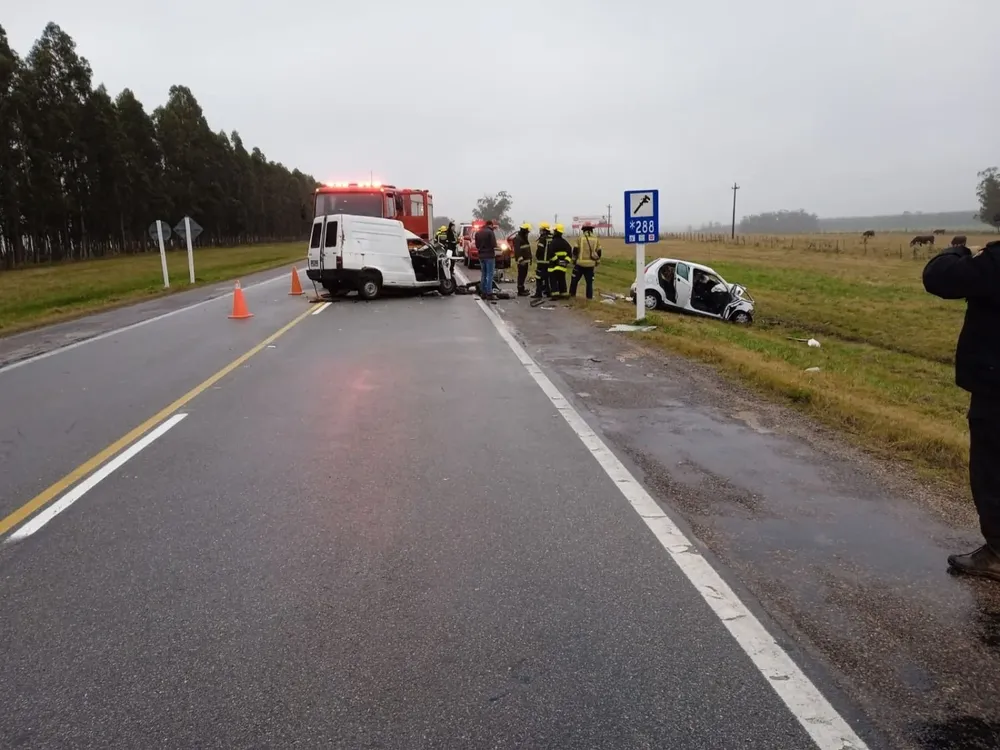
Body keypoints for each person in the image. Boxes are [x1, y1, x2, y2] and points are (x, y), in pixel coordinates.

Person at [923, 235, 1000, 580]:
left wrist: (960, 250)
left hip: (995, 387)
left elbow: (939, 277)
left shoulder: (995, 262)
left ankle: (998, 552)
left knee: (991, 470)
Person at [570, 223, 603, 299]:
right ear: (591, 229)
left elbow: (575, 250)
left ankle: (572, 296)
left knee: (574, 281)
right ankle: (589, 298)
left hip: (580, 264)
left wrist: (574, 260)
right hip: (590, 265)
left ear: (583, 229)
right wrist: (597, 261)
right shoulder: (596, 238)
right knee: (589, 283)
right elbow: (599, 252)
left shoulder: (580, 238)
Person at [546, 224, 572, 298]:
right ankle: (563, 293)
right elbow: (570, 253)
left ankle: (555, 294)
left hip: (553, 266)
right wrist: (566, 261)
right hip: (562, 266)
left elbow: (550, 253)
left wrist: (557, 260)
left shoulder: (553, 242)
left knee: (553, 280)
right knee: (562, 279)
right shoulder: (565, 242)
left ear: (556, 232)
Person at [474, 220, 498, 300]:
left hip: (481, 256)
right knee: (490, 274)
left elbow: (477, 245)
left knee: (483, 274)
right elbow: (494, 244)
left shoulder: (478, 232)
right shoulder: (490, 232)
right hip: (489, 256)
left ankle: (483, 292)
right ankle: (489, 293)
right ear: (491, 225)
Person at [532, 223, 552, 298]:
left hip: (541, 261)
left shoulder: (542, 238)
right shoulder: (552, 237)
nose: (540, 231)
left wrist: (537, 256)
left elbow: (540, 249)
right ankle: (548, 292)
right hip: (549, 261)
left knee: (538, 277)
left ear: (544, 230)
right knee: (547, 277)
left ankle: (538, 293)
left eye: (541, 230)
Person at [514, 223, 532, 296]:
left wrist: (530, 258)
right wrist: (520, 260)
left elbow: (527, 248)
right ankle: (520, 290)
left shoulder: (523, 237)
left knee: (524, 275)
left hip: (525, 260)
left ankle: (522, 288)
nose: (528, 233)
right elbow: (517, 250)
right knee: (521, 275)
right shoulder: (518, 238)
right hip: (522, 261)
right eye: (527, 231)